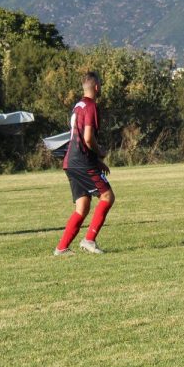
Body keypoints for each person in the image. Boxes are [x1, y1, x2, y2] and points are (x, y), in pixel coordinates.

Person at [54, 71, 115, 255]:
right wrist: (100, 152)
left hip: (70, 162)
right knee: (107, 197)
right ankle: (89, 240)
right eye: (100, 85)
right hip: (82, 162)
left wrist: (96, 161)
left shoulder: (78, 106)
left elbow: (78, 137)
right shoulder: (91, 106)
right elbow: (88, 138)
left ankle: (61, 248)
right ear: (96, 87)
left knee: (82, 207)